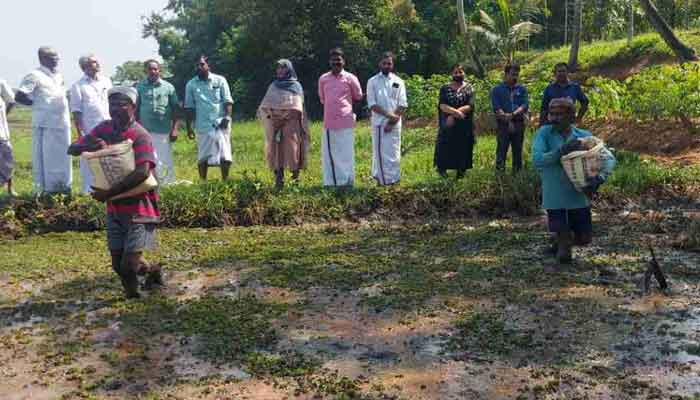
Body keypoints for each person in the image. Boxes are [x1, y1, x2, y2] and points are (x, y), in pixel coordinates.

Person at [67, 87, 162, 299]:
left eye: (122, 104)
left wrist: (108, 193)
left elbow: (142, 172)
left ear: (133, 107)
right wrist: (87, 145)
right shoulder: (104, 128)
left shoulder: (140, 135)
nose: (116, 109)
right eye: (113, 104)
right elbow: (71, 149)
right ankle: (150, 274)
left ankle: (133, 299)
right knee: (118, 264)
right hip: (115, 208)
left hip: (140, 209)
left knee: (128, 265)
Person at [532, 98, 616, 266]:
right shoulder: (544, 133)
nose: (553, 118)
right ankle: (559, 259)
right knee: (565, 255)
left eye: (559, 114)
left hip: (578, 197)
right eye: (551, 114)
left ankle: (558, 241)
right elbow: (538, 160)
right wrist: (561, 151)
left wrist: (599, 179)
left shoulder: (584, 136)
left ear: (571, 116)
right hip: (555, 197)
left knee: (585, 239)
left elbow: (609, 159)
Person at [16, 47, 72, 193]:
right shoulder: (34, 75)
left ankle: (64, 189)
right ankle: (47, 192)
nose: (57, 59)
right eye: (53, 56)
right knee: (48, 160)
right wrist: (39, 105)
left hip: (63, 123)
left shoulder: (59, 75)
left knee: (64, 158)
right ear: (43, 58)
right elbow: (20, 96)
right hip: (45, 125)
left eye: (57, 56)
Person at [257, 59, 310, 188]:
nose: (280, 70)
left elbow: (297, 107)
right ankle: (279, 180)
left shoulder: (296, 86)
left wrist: (284, 118)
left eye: (283, 67)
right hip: (274, 123)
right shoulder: (273, 86)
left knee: (292, 150)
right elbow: (265, 105)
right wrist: (272, 117)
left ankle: (295, 181)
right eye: (278, 68)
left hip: (291, 123)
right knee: (276, 151)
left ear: (289, 69)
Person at [318, 48, 363, 187]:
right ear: (329, 62)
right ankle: (331, 183)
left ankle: (347, 183)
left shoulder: (351, 78)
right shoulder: (323, 79)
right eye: (333, 60)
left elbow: (358, 96)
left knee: (346, 153)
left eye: (339, 60)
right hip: (329, 122)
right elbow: (323, 99)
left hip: (346, 121)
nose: (336, 62)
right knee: (330, 154)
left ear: (344, 61)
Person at [184, 56, 234, 181]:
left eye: (202, 64)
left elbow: (228, 101)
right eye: (197, 65)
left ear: (208, 66)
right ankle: (203, 183)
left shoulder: (220, 80)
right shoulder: (191, 84)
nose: (199, 67)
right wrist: (189, 128)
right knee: (203, 157)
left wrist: (227, 117)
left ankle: (225, 182)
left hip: (221, 123)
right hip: (203, 125)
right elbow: (189, 107)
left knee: (225, 156)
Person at [69, 54, 112, 194]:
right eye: (93, 62)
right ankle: (88, 192)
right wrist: (81, 134)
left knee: (109, 159)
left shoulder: (106, 81)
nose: (97, 64)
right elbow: (76, 112)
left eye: (97, 61)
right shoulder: (77, 86)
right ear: (84, 67)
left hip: (109, 128)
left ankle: (108, 190)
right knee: (89, 161)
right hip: (90, 130)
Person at [366, 51, 408, 185]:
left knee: (394, 153)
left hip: (395, 124)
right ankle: (383, 182)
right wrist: (390, 117)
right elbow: (372, 104)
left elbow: (402, 104)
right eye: (384, 63)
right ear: (380, 64)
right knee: (380, 153)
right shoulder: (372, 81)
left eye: (389, 63)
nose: (386, 66)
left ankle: (394, 180)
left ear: (392, 65)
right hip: (379, 124)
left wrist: (392, 121)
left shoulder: (399, 81)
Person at [136, 59, 180, 184]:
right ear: (146, 71)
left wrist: (175, 129)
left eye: (155, 69)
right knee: (148, 159)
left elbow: (176, 109)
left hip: (163, 130)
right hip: (145, 130)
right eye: (150, 69)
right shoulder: (140, 87)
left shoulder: (168, 87)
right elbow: (136, 109)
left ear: (159, 70)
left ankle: (167, 186)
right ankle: (151, 185)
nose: (153, 71)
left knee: (164, 159)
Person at [434, 64, 476, 179]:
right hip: (448, 125)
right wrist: (455, 113)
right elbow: (442, 105)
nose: (458, 74)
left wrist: (454, 115)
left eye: (460, 72)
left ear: (464, 73)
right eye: (455, 72)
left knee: (463, 148)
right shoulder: (444, 88)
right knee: (444, 148)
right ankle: (443, 175)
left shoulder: (470, 88)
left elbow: (470, 105)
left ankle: (460, 175)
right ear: (451, 74)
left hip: (464, 125)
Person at [491, 63, 529, 173]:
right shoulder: (497, 90)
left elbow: (524, 105)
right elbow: (497, 108)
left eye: (517, 74)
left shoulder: (522, 89)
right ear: (506, 74)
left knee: (517, 151)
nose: (515, 77)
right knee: (501, 151)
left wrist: (512, 115)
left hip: (518, 123)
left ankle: (517, 176)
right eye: (513, 74)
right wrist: (507, 120)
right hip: (503, 124)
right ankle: (500, 176)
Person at [0, 79, 16, 195]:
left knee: (7, 160)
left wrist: (4, 115)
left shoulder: (1, 82)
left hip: (1, 133)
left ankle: (10, 189)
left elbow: (11, 101)